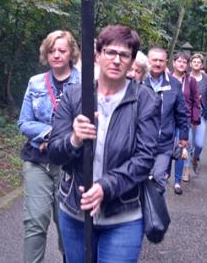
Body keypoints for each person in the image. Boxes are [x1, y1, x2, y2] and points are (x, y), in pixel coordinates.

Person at [48, 25, 161, 263]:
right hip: (75, 213)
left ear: (132, 62)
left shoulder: (144, 99)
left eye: (124, 55)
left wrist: (105, 187)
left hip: (123, 216)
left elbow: (144, 159)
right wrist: (74, 139)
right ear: (98, 55)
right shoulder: (74, 96)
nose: (116, 60)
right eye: (110, 52)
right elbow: (55, 153)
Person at [18, 30, 80, 263]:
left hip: (71, 165)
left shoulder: (85, 84)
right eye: (52, 50)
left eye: (62, 50)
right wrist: (51, 133)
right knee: (35, 222)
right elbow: (24, 122)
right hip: (37, 161)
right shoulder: (35, 82)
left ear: (71, 53)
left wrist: (61, 140)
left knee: (68, 224)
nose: (56, 55)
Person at [145, 47, 189, 195]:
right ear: (148, 61)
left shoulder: (174, 84)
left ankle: (158, 209)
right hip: (141, 142)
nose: (157, 63)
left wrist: (183, 137)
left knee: (159, 177)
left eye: (161, 61)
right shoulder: (139, 81)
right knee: (142, 177)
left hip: (164, 143)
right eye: (154, 60)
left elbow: (181, 113)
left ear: (166, 63)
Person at [171, 52, 201, 184]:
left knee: (183, 146)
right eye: (179, 61)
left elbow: (196, 100)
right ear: (173, 63)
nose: (182, 64)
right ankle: (164, 174)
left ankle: (181, 176)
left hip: (185, 118)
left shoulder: (191, 80)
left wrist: (195, 119)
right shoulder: (167, 78)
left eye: (184, 62)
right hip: (169, 119)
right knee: (166, 146)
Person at [188, 53, 207, 175]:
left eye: (198, 62)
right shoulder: (186, 77)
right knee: (188, 143)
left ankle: (195, 158)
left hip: (201, 114)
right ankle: (186, 170)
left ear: (202, 65)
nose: (196, 64)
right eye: (194, 62)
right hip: (187, 114)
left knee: (199, 144)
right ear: (190, 64)